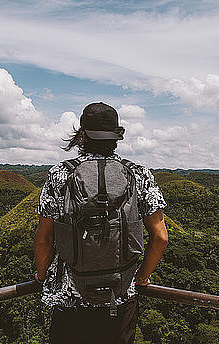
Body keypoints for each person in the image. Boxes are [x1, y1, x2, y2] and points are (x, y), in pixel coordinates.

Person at [34, 102, 168, 344]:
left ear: (82, 135)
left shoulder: (60, 174)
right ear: (116, 137)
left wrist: (42, 275)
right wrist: (141, 278)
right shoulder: (139, 174)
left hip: (70, 297)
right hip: (120, 297)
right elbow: (160, 237)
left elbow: (44, 239)